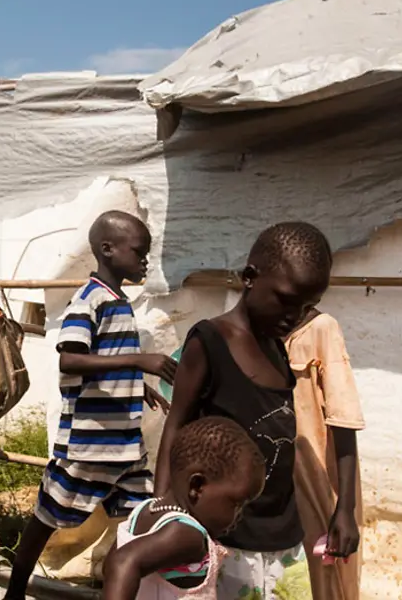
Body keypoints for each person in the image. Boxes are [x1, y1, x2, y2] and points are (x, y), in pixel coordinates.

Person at [155, 222, 335, 600]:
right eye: (286, 300)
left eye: (306, 307)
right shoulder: (210, 342)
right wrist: (162, 505)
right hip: (226, 538)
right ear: (249, 277)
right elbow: (176, 423)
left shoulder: (277, 349)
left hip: (285, 539)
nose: (294, 316)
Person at [4, 210, 176, 599]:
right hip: (88, 447)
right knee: (47, 518)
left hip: (125, 447)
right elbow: (71, 359)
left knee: (137, 522)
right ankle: (14, 592)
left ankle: (117, 590)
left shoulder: (120, 302)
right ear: (107, 249)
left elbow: (107, 361)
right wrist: (138, 361)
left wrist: (137, 386)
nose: (145, 261)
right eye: (139, 252)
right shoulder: (88, 300)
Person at [102, 417, 266, 600]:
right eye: (236, 504)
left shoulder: (143, 512)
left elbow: (111, 564)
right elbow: (123, 562)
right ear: (197, 486)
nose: (240, 516)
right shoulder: (188, 535)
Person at [285, 310, 363, 600]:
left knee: (323, 574)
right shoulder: (258, 328)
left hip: (316, 477)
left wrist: (346, 508)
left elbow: (344, 421)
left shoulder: (322, 329)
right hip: (271, 481)